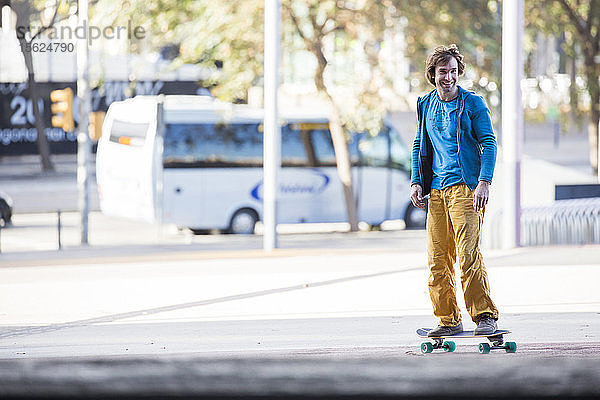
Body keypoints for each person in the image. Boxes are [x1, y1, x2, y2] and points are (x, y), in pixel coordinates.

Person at [410, 44, 499, 337]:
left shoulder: (472, 103)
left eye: (452, 71)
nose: (448, 77)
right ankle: (448, 319)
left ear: (458, 72)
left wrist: (484, 182)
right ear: (432, 74)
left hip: (465, 189)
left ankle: (484, 316)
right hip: (435, 192)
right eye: (441, 72)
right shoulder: (425, 104)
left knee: (468, 255)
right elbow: (418, 145)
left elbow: (488, 143)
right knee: (437, 259)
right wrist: (416, 181)